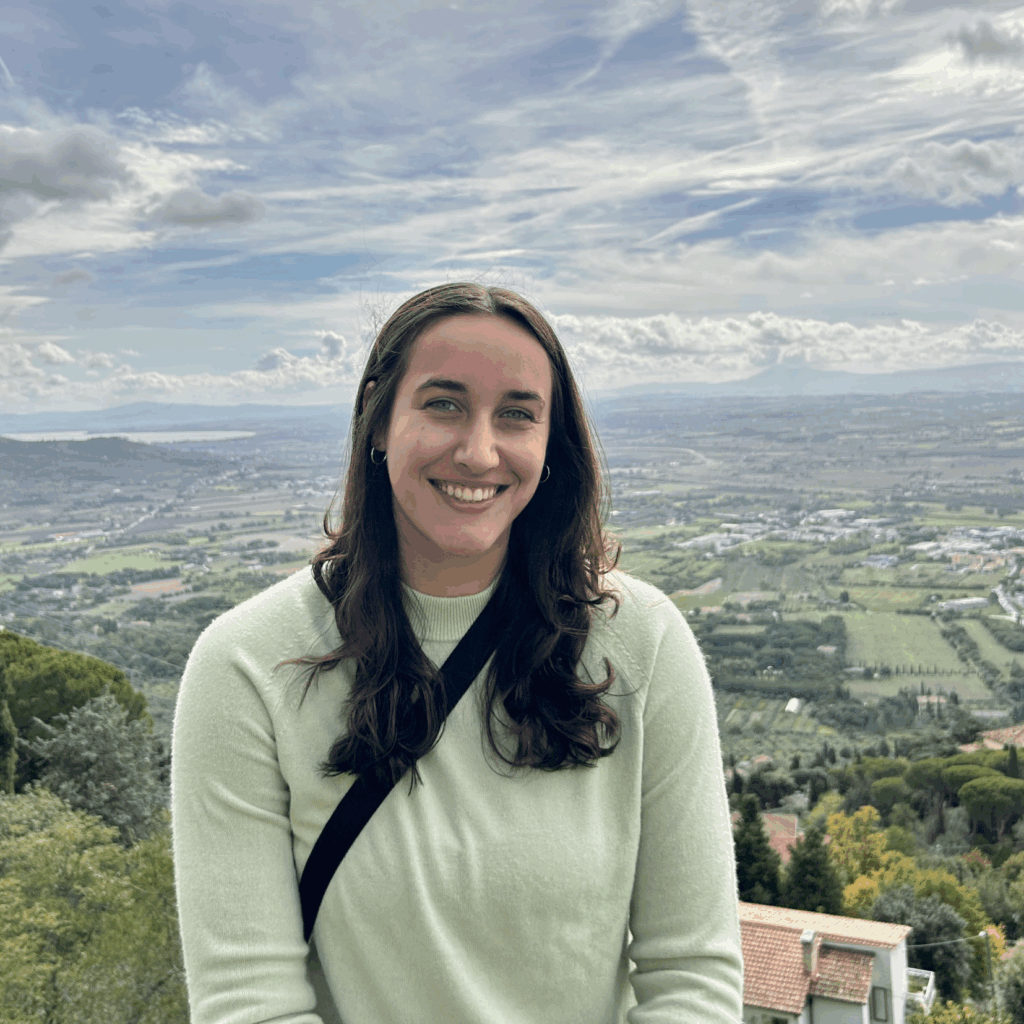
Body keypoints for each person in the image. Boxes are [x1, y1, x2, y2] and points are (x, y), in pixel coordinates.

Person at [171, 282, 744, 1024]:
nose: (478, 452)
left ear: (551, 442)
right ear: (379, 419)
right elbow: (250, 1004)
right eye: (443, 404)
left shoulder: (645, 643)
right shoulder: (246, 666)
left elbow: (691, 976)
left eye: (517, 414)